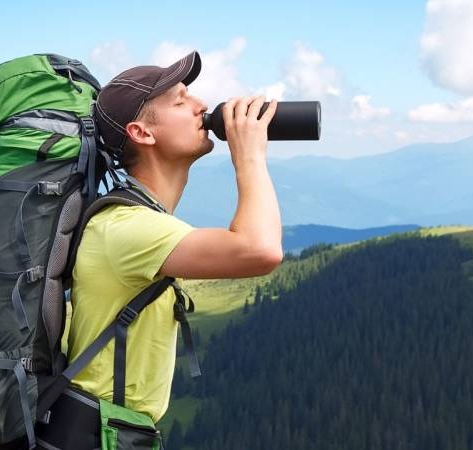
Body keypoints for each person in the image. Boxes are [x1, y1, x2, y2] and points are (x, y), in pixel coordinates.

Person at [35, 50, 284, 449]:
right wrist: (250, 155)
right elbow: (261, 250)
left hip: (110, 430)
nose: (202, 105)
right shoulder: (127, 228)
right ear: (142, 133)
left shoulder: (138, 220)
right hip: (98, 434)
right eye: (181, 100)